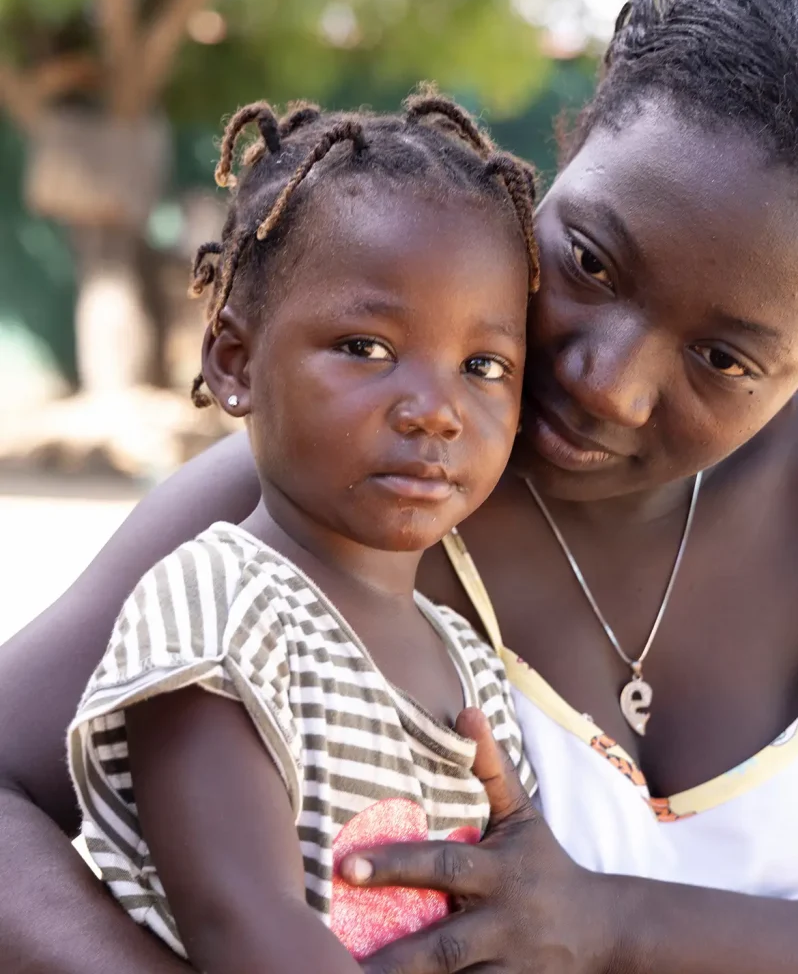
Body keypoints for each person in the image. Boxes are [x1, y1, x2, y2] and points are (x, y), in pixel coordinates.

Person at [3, 0, 798, 973]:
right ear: (569, 147)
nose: (606, 382)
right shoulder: (341, 504)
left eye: (724, 359)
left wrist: (614, 923)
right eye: (589, 260)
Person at [65, 91, 539, 973]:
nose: (436, 411)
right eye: (366, 347)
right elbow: (247, 928)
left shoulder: (466, 656)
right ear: (234, 363)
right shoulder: (219, 608)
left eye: (483, 366)